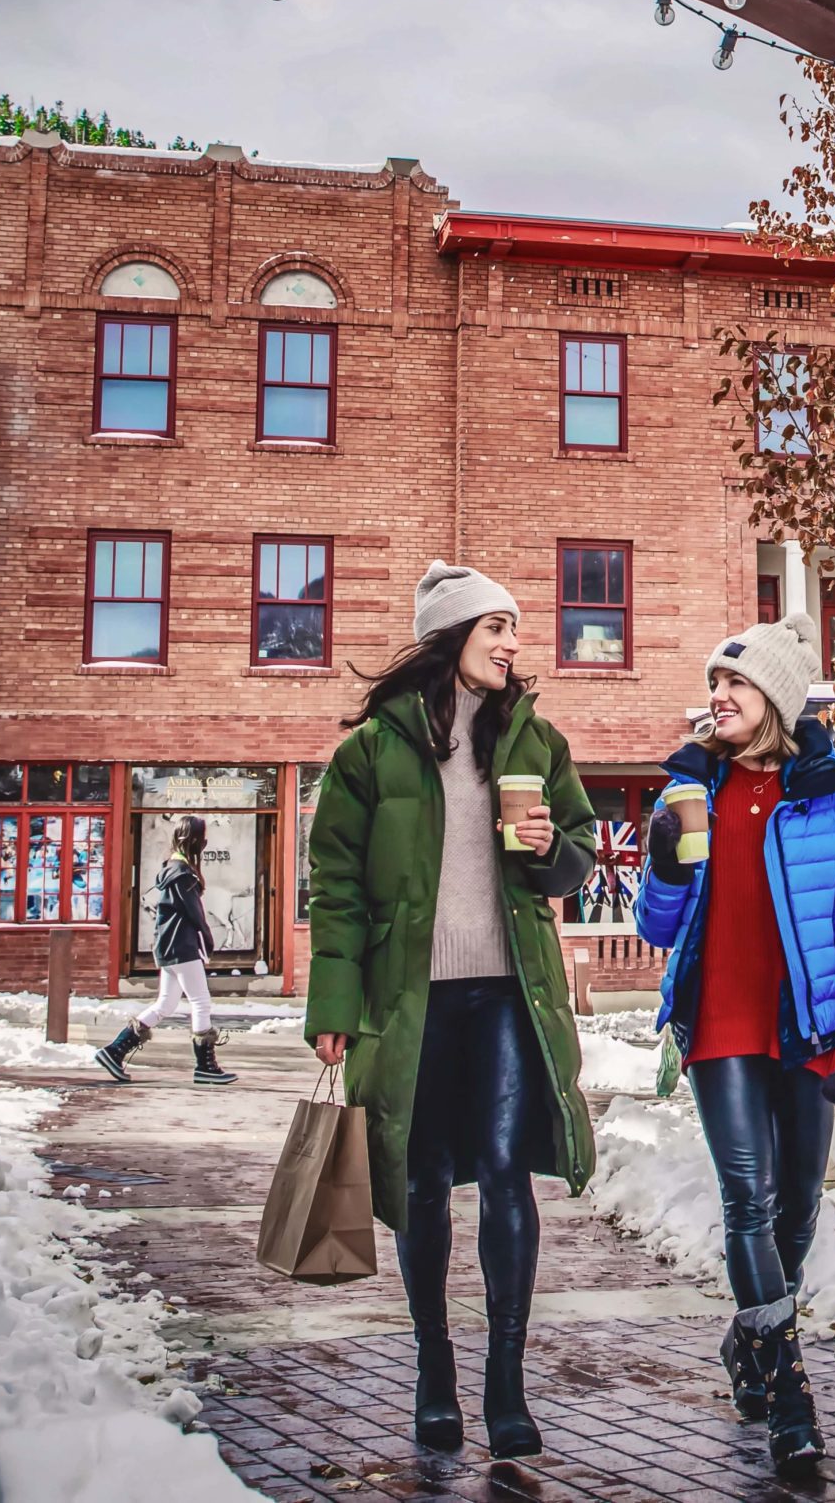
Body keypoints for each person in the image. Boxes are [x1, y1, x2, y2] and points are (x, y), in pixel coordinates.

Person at [304, 562, 598, 1460]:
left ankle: (504, 1381)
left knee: (509, 1172)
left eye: (514, 628)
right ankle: (436, 1370)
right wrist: (336, 1002)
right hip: (410, 1000)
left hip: (510, 992)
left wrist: (554, 851)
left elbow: (582, 848)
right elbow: (337, 888)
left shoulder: (535, 740)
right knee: (421, 1180)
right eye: (494, 628)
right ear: (451, 639)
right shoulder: (370, 753)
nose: (513, 643)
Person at [634, 611, 835, 1477]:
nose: (718, 696)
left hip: (807, 1020)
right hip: (719, 1020)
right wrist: (666, 865)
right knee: (745, 1201)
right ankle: (790, 1396)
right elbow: (657, 925)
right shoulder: (690, 789)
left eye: (735, 682)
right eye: (715, 683)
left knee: (795, 1212)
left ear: (774, 696)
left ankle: (747, 1340)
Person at [95, 815, 235, 1085]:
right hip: (182, 947)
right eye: (203, 839)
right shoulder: (183, 874)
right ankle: (205, 1066)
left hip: (169, 947)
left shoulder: (172, 869)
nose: (205, 844)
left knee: (166, 1004)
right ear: (194, 840)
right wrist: (207, 939)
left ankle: (114, 1051)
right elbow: (195, 915)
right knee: (200, 1002)